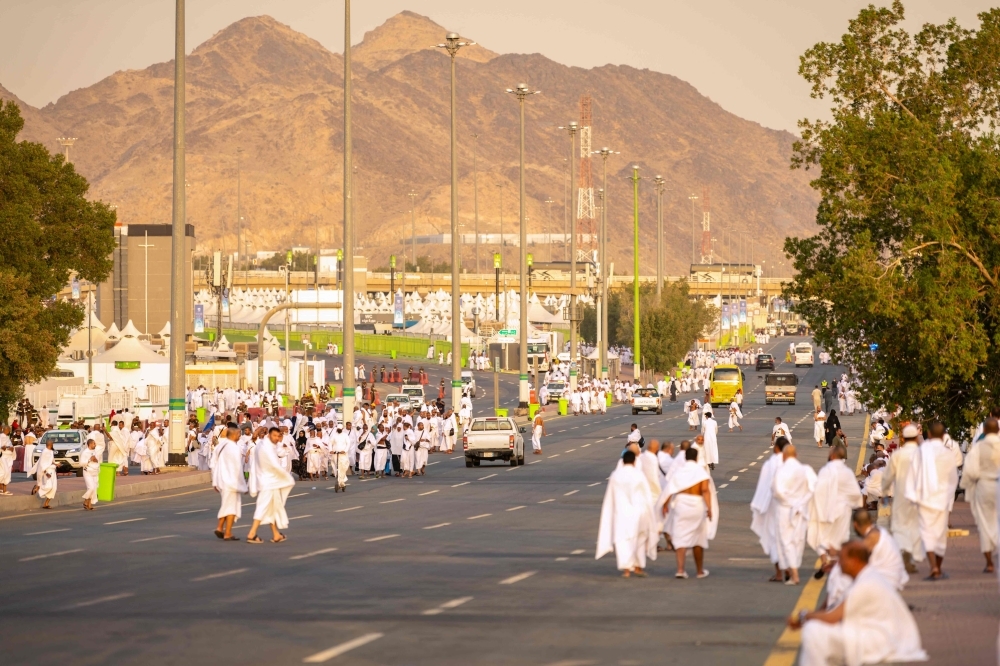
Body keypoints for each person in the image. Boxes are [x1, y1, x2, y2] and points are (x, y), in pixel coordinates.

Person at [789, 541, 927, 666]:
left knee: (813, 631)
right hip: (874, 634)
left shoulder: (866, 583)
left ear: (854, 561)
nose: (838, 564)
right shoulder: (866, 575)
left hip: (878, 641)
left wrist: (803, 616)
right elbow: (833, 609)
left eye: (841, 559)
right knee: (820, 633)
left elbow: (832, 617)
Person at [904, 421, 960, 580]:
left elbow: (911, 475)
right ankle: (938, 567)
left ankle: (933, 567)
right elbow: (953, 478)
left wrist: (912, 496)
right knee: (940, 534)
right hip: (942, 498)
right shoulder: (948, 453)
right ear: (943, 436)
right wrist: (948, 496)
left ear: (928, 434)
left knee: (927, 532)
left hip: (924, 498)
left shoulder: (920, 451)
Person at [824, 508, 909, 609]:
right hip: (886, 576)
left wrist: (835, 553)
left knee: (839, 576)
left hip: (888, 580)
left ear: (855, 525)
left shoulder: (872, 536)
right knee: (839, 568)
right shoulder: (876, 531)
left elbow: (854, 554)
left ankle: (834, 608)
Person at [596, 450, 658, 578]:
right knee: (640, 539)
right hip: (639, 512)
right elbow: (647, 495)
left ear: (623, 461)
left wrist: (610, 512)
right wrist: (650, 513)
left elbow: (610, 496)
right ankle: (638, 567)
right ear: (635, 461)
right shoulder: (639, 475)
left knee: (623, 540)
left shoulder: (615, 475)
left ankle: (626, 570)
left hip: (621, 513)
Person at [658, 447, 713, 578]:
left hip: (681, 505)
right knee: (698, 539)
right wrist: (709, 508)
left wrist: (665, 505)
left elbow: (670, 489)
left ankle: (680, 570)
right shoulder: (701, 472)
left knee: (680, 537)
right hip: (696, 505)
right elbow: (705, 490)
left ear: (685, 457)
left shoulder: (680, 471)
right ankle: (699, 571)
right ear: (696, 457)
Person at [807, 445, 863, 566]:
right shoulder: (847, 472)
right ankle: (835, 563)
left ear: (832, 456)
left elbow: (818, 490)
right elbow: (855, 493)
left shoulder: (826, 471)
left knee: (823, 536)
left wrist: (814, 506)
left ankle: (824, 560)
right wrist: (854, 504)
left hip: (827, 509)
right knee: (840, 538)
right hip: (843, 510)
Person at [959, 416, 1000, 573]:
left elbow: (970, 471)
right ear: (997, 430)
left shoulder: (978, 447)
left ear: (984, 430)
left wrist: (967, 485)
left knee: (985, 522)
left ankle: (989, 563)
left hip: (984, 486)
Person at [772, 444, 817, 585]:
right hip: (800, 509)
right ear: (796, 455)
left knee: (786, 541)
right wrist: (800, 502)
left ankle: (794, 574)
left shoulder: (781, 470)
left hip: (785, 509)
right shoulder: (805, 469)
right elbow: (813, 488)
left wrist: (790, 502)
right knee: (798, 540)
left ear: (784, 456)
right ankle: (794, 570)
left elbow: (777, 491)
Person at [245, 427, 295, 544]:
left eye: (278, 436)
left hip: (270, 482)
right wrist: (286, 477)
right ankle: (252, 533)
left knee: (273, 508)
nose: (277, 438)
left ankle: (276, 534)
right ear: (269, 435)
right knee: (262, 507)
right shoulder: (265, 447)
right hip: (268, 482)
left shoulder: (265, 445)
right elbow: (273, 465)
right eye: (274, 436)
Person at [883, 423, 922, 573]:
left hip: (901, 496)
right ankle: (909, 557)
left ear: (904, 438)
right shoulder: (922, 454)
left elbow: (887, 477)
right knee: (915, 527)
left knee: (900, 526)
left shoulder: (898, 455)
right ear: (916, 438)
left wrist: (885, 493)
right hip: (918, 496)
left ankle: (904, 556)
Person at [751, 436, 789, 582]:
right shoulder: (792, 464)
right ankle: (791, 570)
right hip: (790, 506)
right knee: (788, 538)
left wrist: (760, 505)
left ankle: (779, 573)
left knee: (774, 538)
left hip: (773, 505)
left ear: (776, 448)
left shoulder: (770, 463)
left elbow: (764, 486)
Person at [210, 426, 247, 540]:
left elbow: (213, 464)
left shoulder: (220, 446)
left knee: (227, 505)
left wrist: (215, 481)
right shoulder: (234, 448)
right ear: (234, 435)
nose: (240, 436)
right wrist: (243, 486)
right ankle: (228, 533)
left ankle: (220, 527)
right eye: (239, 434)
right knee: (232, 507)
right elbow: (237, 468)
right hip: (232, 482)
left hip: (221, 480)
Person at [30, 439, 57, 509]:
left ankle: (46, 504)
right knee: (49, 486)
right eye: (52, 444)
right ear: (50, 445)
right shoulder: (45, 452)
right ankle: (37, 488)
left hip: (53, 470)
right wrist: (46, 472)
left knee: (54, 488)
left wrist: (57, 464)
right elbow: (42, 464)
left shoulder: (51, 451)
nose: (53, 445)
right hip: (47, 471)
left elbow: (52, 461)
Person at [81, 437, 102, 510]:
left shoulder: (95, 451)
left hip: (95, 471)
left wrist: (95, 459)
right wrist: (90, 459)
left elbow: (96, 461)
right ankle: (85, 501)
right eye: (94, 443)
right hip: (87, 472)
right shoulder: (85, 452)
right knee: (91, 487)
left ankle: (89, 505)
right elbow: (82, 463)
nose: (95, 445)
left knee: (94, 488)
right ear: (90, 444)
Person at [0, 427, 14, 495]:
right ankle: (4, 490)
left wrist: (10, 448)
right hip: (3, 457)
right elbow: (2, 447)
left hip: (8, 457)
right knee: (5, 472)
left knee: (6, 472)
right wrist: (5, 447)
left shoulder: (7, 437)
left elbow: (11, 447)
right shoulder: (1, 437)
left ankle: (2, 489)